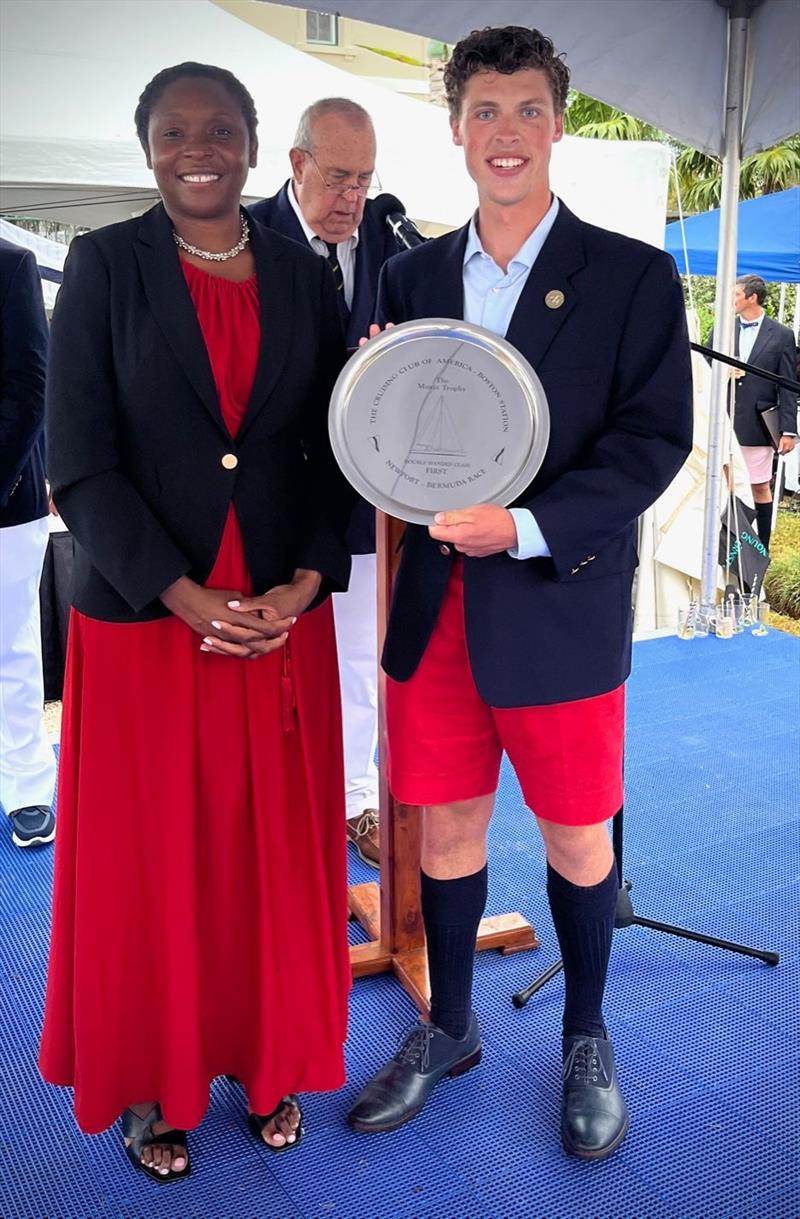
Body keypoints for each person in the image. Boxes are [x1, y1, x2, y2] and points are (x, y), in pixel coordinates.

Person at [346, 26, 693, 1161]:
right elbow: (374, 428)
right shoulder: (405, 276)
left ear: (558, 124)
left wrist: (527, 524)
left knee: (576, 837)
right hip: (436, 606)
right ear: (454, 127)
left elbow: (651, 443)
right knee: (443, 826)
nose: (505, 133)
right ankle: (447, 1027)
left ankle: (585, 1036)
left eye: (527, 109)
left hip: (558, 601)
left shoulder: (632, 274)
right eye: (484, 111)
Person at [39, 62, 352, 1181]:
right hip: (146, 619)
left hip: (276, 616)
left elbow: (332, 450)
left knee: (266, 855)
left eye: (221, 130)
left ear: (255, 145)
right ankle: (150, 1084)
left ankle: (267, 1061)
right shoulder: (104, 266)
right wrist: (181, 591)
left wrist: (307, 582)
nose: (199, 149)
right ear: (149, 149)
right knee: (152, 861)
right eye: (176, 133)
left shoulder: (301, 273)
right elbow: (76, 459)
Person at [250, 99, 405, 868]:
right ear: (296, 163)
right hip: (273, 499)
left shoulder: (396, 244)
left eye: (366, 179)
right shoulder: (243, 237)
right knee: (278, 668)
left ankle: (359, 802)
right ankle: (283, 804)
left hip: (372, 498)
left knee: (362, 660)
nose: (352, 196)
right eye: (338, 177)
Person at [0, 237, 57, 848]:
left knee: (10, 644)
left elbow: (29, 389)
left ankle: (27, 788)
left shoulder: (11, 264)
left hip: (6, 499)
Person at [731, 274, 797, 550]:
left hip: (757, 423)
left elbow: (788, 383)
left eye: (735, 294)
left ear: (751, 297)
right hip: (724, 419)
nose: (730, 299)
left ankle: (761, 548)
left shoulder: (781, 334)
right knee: (727, 485)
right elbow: (705, 362)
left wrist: (789, 430)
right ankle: (730, 545)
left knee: (758, 485)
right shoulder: (724, 327)